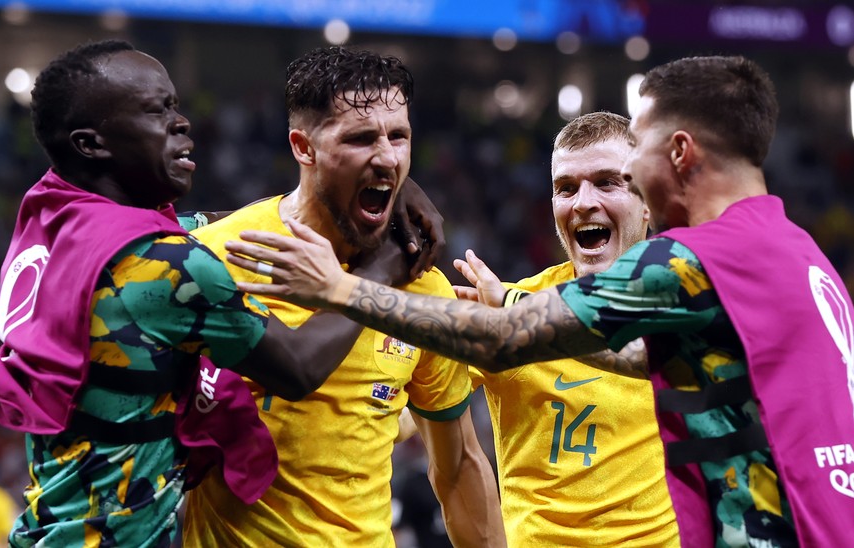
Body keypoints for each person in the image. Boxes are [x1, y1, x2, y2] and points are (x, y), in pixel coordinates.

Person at [226, 55, 854, 546]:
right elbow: (642, 355)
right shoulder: (798, 256)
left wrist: (341, 288)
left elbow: (503, 342)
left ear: (680, 153)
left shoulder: (696, 262)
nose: (605, 190)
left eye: (630, 161)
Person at [0, 39, 444, 547]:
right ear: (91, 144)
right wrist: (383, 266)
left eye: (175, 106)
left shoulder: (57, 225)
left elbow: (200, 228)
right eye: (156, 111)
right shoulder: (168, 268)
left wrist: (382, 174)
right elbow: (296, 368)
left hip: (48, 527)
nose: (181, 124)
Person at [182, 46, 504, 547]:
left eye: (399, 136)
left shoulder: (424, 285)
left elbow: (459, 463)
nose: (388, 157)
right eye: (360, 138)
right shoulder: (216, 257)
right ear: (303, 147)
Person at [448, 112, 678, 545]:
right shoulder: (500, 311)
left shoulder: (689, 302)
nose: (582, 202)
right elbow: (405, 408)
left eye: (607, 182)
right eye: (565, 188)